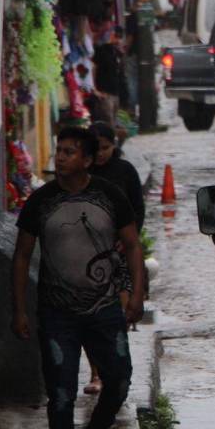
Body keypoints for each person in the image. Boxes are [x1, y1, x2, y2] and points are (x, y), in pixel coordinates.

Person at [11, 126, 146, 429]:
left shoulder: (110, 196)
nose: (60, 157)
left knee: (118, 378)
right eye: (59, 150)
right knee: (61, 395)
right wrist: (19, 309)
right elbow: (22, 255)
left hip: (105, 311)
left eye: (70, 152)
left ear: (87, 160)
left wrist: (136, 294)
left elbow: (132, 245)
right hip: (57, 316)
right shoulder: (40, 202)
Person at [83, 121, 145, 395]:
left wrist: (126, 240)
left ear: (114, 146)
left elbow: (137, 210)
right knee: (88, 317)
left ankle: (117, 369)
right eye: (96, 148)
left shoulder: (125, 171)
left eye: (106, 148)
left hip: (118, 254)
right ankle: (96, 374)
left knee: (117, 317)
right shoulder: (80, 174)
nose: (101, 154)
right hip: (85, 257)